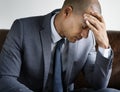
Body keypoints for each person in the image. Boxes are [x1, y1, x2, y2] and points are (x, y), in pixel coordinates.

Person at [0, 0, 120, 92]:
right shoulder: (22, 28)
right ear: (67, 12)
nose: (85, 35)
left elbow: (98, 85)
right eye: (84, 26)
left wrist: (104, 46)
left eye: (89, 30)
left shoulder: (88, 39)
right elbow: (5, 79)